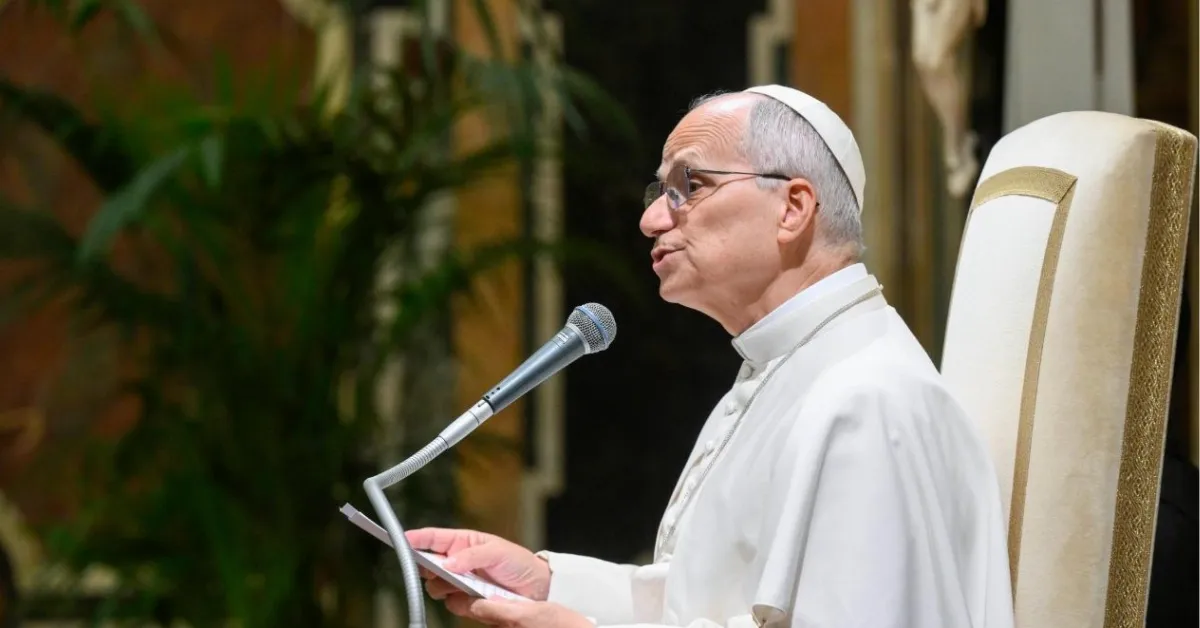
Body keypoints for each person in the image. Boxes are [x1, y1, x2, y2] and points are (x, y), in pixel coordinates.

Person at [406, 85, 1015, 628]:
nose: (649, 219)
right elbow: (712, 601)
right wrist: (549, 583)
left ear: (793, 208)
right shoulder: (789, 369)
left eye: (687, 187)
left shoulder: (868, 398)